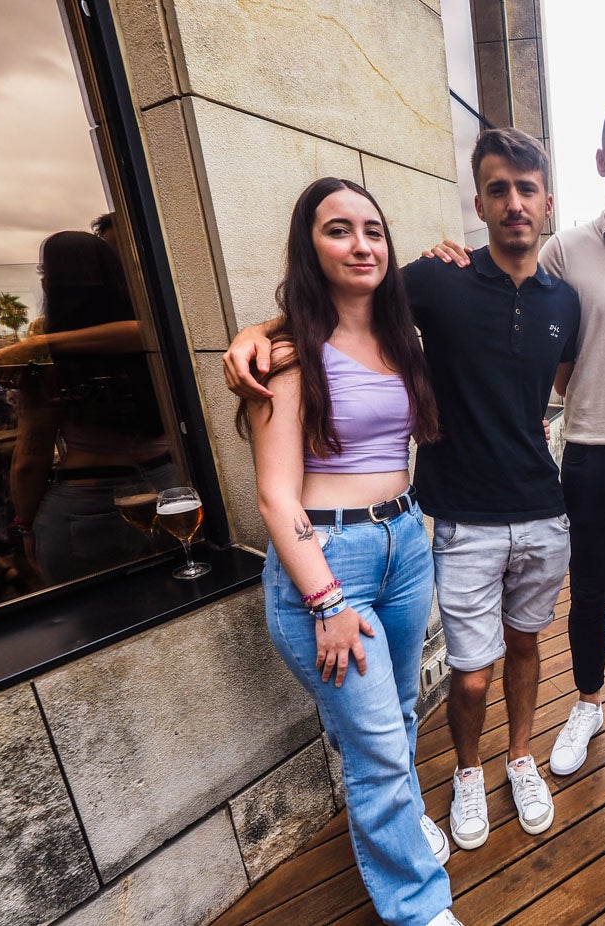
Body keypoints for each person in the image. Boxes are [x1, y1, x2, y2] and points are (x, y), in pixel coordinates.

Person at [224, 130, 579, 854]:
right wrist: (255, 331)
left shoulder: (565, 301)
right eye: (498, 188)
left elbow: (567, 382)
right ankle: (469, 773)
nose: (514, 202)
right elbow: (338, 303)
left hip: (543, 510)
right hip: (457, 518)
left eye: (527, 189)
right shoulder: (436, 279)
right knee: (466, 680)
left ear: (547, 203)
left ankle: (518, 758)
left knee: (524, 646)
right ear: (477, 203)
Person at [427, 96, 605, 780]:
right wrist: (449, 257)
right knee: (587, 594)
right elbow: (517, 308)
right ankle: (587, 703)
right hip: (587, 452)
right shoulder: (562, 251)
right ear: (601, 160)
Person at [236, 177, 459, 926]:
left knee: (395, 716)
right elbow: (274, 496)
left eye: (373, 229)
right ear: (310, 245)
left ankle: (397, 825)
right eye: (338, 230)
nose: (360, 244)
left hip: (403, 542)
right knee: (376, 752)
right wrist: (326, 600)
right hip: (328, 562)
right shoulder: (288, 352)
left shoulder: (400, 337)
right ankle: (420, 909)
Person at [1, 231, 176, 584]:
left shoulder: (49, 361)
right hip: (167, 484)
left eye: (43, 273)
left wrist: (25, 526)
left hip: (87, 501)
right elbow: (147, 332)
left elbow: (29, 459)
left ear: (54, 282)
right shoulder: (149, 342)